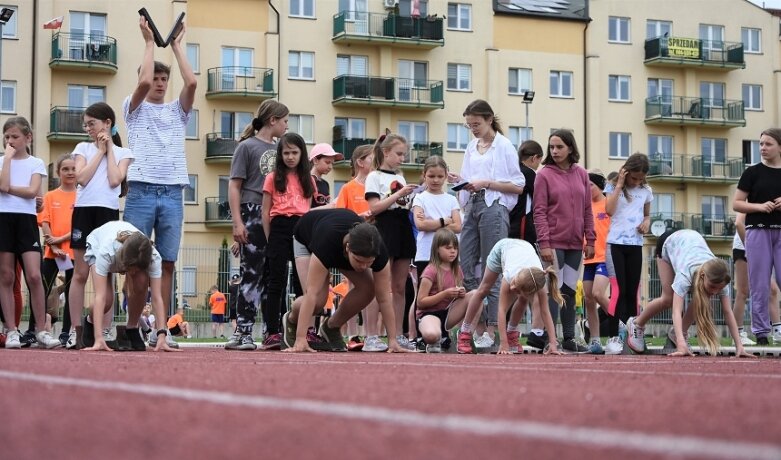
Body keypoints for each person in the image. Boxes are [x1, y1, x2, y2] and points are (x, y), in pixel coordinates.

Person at [122, 15, 197, 324]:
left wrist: (177, 45)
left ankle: (161, 328)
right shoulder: (133, 109)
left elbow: (191, 82)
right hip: (140, 190)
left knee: (167, 263)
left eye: (164, 79)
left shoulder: (177, 112)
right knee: (135, 263)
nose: (158, 82)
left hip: (171, 192)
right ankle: (134, 323)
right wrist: (150, 43)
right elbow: (142, 81)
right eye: (154, 77)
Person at [281, 208, 408, 353]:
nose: (363, 267)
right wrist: (300, 339)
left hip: (335, 239)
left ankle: (331, 327)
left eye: (369, 263)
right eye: (359, 261)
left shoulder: (379, 251)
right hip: (306, 237)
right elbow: (311, 293)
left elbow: (384, 298)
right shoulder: (327, 243)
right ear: (348, 249)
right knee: (318, 302)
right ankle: (290, 319)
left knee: (368, 290)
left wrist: (392, 341)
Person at [454, 100, 525, 350]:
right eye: (469, 125)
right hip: (472, 204)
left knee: (491, 269)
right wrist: (460, 183)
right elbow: (467, 177)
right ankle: (481, 325)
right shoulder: (472, 146)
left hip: (494, 205)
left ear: (489, 120)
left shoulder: (504, 145)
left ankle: (494, 329)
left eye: (476, 123)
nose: (473, 128)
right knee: (466, 264)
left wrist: (487, 182)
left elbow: (518, 185)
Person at [67, 102, 134, 350]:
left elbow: (115, 180)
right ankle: (76, 331)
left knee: (104, 277)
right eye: (85, 124)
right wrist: (98, 150)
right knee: (81, 274)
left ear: (107, 123)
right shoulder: (82, 148)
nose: (87, 128)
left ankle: (98, 327)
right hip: (84, 213)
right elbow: (81, 179)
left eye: (91, 124)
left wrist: (109, 151)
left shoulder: (123, 153)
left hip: (107, 215)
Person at [626, 229, 753, 358]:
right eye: (712, 287)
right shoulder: (685, 274)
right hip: (668, 242)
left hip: (689, 242)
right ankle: (637, 324)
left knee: (703, 296)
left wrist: (739, 346)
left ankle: (678, 333)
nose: (715, 292)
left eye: (718, 289)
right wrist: (681, 344)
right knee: (668, 299)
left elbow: (728, 312)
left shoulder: (721, 278)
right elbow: (676, 311)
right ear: (703, 276)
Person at [225, 100, 287, 351]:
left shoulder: (283, 148)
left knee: (273, 275)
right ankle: (244, 331)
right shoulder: (247, 147)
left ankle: (272, 331)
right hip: (252, 211)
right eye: (284, 121)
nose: (286, 126)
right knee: (252, 273)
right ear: (272, 120)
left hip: (277, 214)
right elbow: (234, 185)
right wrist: (237, 222)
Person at [0, 117, 60, 349]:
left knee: (34, 276)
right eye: (6, 137)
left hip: (26, 221)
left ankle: (41, 331)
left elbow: (33, 191)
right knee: (6, 276)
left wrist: (9, 190)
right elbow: (4, 182)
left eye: (15, 136)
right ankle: (12, 330)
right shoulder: (2, 161)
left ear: (28, 138)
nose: (10, 141)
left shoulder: (36, 162)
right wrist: (7, 158)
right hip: (4, 219)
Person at [532, 129, 594, 353]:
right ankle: (551, 340)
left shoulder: (582, 175)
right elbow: (538, 212)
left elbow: (587, 210)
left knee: (568, 290)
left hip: (576, 244)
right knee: (553, 291)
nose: (555, 151)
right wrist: (545, 243)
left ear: (570, 148)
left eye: (559, 147)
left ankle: (568, 338)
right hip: (553, 243)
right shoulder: (544, 175)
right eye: (551, 147)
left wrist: (591, 239)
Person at [80, 220, 178, 352]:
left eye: (137, 269)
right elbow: (100, 296)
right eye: (131, 269)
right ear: (125, 262)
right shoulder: (106, 252)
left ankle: (131, 328)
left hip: (128, 252)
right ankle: (90, 321)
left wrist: (162, 335)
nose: (132, 273)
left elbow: (156, 298)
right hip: (98, 243)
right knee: (107, 300)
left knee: (142, 281)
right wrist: (98, 338)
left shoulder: (154, 257)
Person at [458, 238, 562, 355]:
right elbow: (501, 310)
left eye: (516, 289)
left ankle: (512, 334)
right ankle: (464, 333)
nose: (512, 289)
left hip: (523, 250)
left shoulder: (540, 284)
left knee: (522, 299)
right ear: (516, 276)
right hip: (502, 248)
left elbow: (545, 312)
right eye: (514, 284)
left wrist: (553, 343)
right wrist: (503, 343)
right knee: (483, 289)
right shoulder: (508, 276)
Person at [365, 133, 419, 351]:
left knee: (399, 287)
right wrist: (399, 195)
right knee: (380, 285)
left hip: (402, 227)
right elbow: (375, 207)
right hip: (384, 227)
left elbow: (403, 204)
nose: (401, 158)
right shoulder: (374, 176)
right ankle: (371, 336)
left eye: (404, 154)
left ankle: (397, 335)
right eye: (398, 154)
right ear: (385, 152)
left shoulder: (401, 177)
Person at [261, 132, 313, 350]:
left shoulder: (307, 179)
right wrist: (269, 238)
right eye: (286, 153)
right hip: (279, 227)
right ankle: (272, 332)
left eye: (294, 152)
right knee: (276, 281)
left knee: (304, 283)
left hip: (301, 227)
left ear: (302, 154)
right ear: (280, 155)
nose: (290, 157)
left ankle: (305, 329)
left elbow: (309, 209)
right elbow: (265, 212)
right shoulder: (272, 178)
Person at [733, 128, 781, 346]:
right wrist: (759, 207)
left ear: (779, 147)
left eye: (768, 144)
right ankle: (761, 332)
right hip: (757, 231)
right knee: (759, 283)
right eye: (761, 143)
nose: (763, 148)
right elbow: (737, 203)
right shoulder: (752, 173)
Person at [334, 144, 384, 351]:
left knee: (373, 288)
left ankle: (372, 336)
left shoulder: (379, 185)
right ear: (360, 162)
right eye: (372, 158)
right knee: (353, 289)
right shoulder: (348, 188)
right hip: (355, 247)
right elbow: (339, 217)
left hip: (375, 243)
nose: (376, 161)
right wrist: (358, 218)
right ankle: (352, 335)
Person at [604, 153, 652, 354]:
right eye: (633, 178)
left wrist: (647, 222)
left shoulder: (647, 190)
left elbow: (647, 215)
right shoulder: (612, 186)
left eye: (640, 178)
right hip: (615, 244)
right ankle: (613, 336)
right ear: (626, 171)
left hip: (635, 245)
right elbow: (609, 210)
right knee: (618, 291)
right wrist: (619, 184)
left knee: (633, 292)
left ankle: (635, 334)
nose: (637, 182)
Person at [28, 153, 77, 346]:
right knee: (40, 289)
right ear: (58, 173)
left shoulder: (82, 196)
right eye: (65, 169)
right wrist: (53, 245)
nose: (70, 172)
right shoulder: (50, 196)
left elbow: (79, 227)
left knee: (73, 291)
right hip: (51, 252)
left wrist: (61, 240)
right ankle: (33, 330)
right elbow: (44, 221)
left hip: (74, 252)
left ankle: (66, 333)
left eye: (73, 168)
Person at [416, 229, 473, 353]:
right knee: (432, 335)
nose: (453, 251)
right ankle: (433, 338)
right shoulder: (430, 270)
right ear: (437, 249)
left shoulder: (457, 269)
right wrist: (444, 294)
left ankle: (464, 334)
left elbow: (458, 295)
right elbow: (420, 302)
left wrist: (460, 293)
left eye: (455, 248)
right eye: (448, 248)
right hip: (430, 313)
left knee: (475, 295)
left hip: (449, 313)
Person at [732, 212, 781, 345]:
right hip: (743, 247)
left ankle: (777, 331)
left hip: (762, 246)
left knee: (772, 290)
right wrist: (749, 246)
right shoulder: (752, 199)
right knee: (743, 291)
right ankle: (737, 334)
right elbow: (738, 223)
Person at [580, 172, 609, 354]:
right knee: (589, 299)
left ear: (600, 186)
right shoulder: (584, 207)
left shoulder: (609, 204)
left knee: (598, 294)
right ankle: (595, 341)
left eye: (591, 185)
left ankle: (624, 325)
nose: (587, 189)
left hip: (606, 257)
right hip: (589, 258)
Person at [508, 140, 543, 242]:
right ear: (534, 158)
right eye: (539, 161)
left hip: (508, 221)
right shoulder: (530, 174)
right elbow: (539, 199)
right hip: (522, 223)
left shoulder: (513, 170)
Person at [310, 143, 343, 209]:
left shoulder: (325, 183)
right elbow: (303, 211)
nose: (330, 167)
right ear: (315, 160)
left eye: (332, 163)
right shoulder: (306, 181)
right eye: (327, 162)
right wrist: (330, 206)